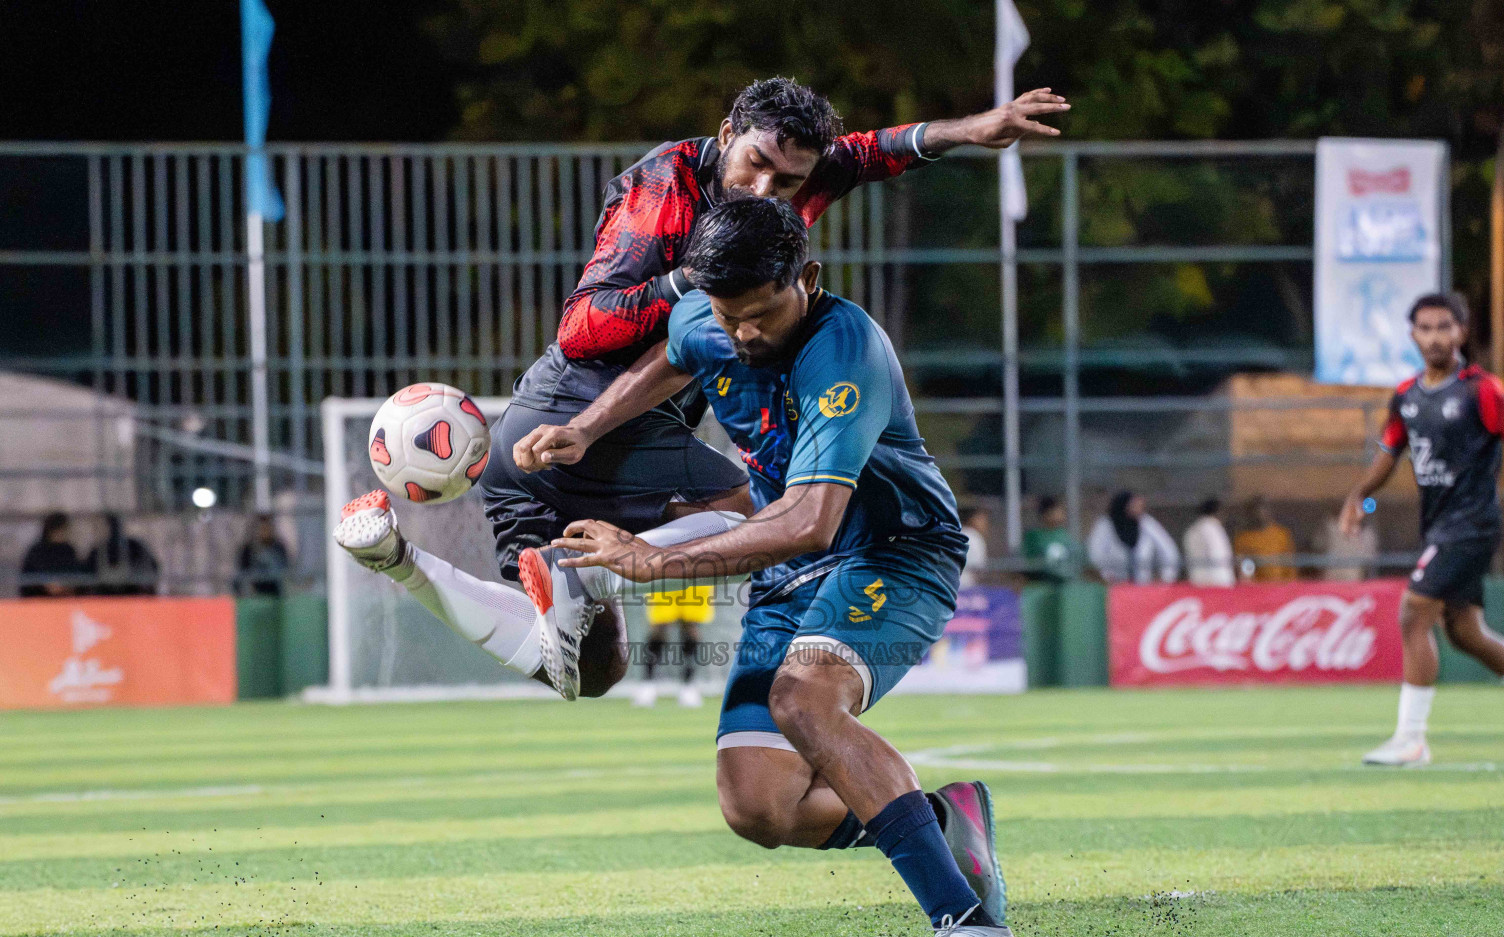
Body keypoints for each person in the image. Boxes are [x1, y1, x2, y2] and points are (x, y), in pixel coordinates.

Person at [334, 77, 1070, 700]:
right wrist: (689, 281)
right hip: (586, 404)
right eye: (754, 166)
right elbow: (581, 328)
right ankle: (593, 579)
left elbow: (875, 152)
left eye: (788, 181)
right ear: (726, 134)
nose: (766, 190)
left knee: (588, 672)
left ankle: (397, 559)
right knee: (747, 507)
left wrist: (976, 127)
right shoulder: (666, 190)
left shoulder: (782, 192)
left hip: (547, 443)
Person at [512, 198, 1021, 937]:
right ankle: (947, 822)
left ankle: (973, 933)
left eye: (760, 314)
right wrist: (589, 426)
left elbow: (813, 522)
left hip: (892, 550)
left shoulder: (843, 348)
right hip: (789, 573)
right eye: (729, 316)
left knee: (805, 700)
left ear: (806, 277)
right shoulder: (709, 314)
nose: (744, 334)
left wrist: (649, 560)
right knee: (759, 806)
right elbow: (676, 355)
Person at [1339, 293, 1504, 766]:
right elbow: (1388, 457)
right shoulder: (1407, 397)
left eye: (1444, 327)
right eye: (1424, 328)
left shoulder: (1479, 390)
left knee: (1413, 613)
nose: (1434, 337)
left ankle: (1411, 740)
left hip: (1472, 524)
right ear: (1412, 335)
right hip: (1440, 527)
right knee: (1466, 632)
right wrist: (1360, 500)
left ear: (1461, 332)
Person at [638, 584, 714, 708]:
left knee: (691, 627)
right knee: (659, 627)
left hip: (696, 574)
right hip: (665, 572)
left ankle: (688, 685)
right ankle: (647, 684)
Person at [1087, 491, 1179, 584]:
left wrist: (1167, 577)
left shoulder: (1146, 523)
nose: (1139, 508)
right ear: (1125, 505)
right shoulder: (1105, 525)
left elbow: (1167, 548)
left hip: (1143, 586)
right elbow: (1095, 553)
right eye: (1134, 505)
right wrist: (1106, 575)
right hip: (1113, 585)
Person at [85, 515, 159, 596]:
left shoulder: (135, 547)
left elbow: (153, 569)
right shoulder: (97, 550)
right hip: (104, 596)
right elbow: (85, 577)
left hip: (132, 594)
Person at [1232, 496, 1298, 582]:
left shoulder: (1281, 534)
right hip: (1257, 589)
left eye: (1263, 509)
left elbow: (1290, 564)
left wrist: (1291, 586)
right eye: (1255, 510)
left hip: (1281, 587)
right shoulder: (1242, 538)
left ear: (1269, 512)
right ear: (1248, 514)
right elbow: (1242, 568)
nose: (1259, 514)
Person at [20, 512, 83, 598]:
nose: (62, 533)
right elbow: (28, 579)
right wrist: (45, 585)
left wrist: (66, 586)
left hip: (66, 600)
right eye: (60, 529)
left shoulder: (68, 551)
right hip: (40, 601)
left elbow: (78, 575)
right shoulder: (37, 551)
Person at [1023, 495, 1081, 583]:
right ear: (1047, 513)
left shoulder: (1064, 534)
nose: (1062, 513)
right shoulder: (1034, 536)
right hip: (1042, 583)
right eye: (1058, 510)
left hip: (1067, 583)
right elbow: (1030, 562)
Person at [1182, 497, 1235, 586]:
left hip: (1196, 581)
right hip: (1217, 582)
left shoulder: (1192, 530)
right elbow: (1218, 555)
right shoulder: (1213, 528)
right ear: (1218, 511)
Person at [1312, 514, 1378, 582]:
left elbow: (1370, 558)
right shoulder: (1328, 527)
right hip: (1331, 575)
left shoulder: (1366, 532)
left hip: (1353, 577)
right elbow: (1317, 547)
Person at [237, 514, 290, 597]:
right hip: (254, 594)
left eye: (267, 528)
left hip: (276, 593)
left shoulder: (279, 548)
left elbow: (285, 570)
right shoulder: (248, 549)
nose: (264, 531)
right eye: (261, 528)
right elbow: (242, 573)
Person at [958, 506, 989, 588]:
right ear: (972, 519)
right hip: (967, 587)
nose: (985, 524)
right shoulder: (974, 537)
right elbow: (979, 570)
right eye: (981, 519)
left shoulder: (954, 533)